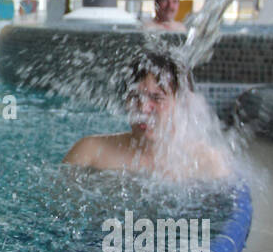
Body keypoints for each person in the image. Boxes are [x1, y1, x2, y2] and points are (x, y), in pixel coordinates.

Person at [63, 50, 232, 179]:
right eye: (135, 97)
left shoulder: (205, 162)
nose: (143, 109)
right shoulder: (90, 152)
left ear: (181, 104)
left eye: (156, 98)